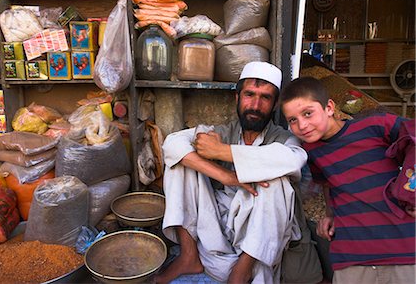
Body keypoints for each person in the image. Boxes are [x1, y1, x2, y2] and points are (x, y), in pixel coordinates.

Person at [156, 62, 322, 284]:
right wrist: (225, 176)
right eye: (249, 95)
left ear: (274, 105)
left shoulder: (282, 138)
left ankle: (240, 273)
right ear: (237, 98)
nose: (255, 105)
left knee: (277, 181)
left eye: (265, 98)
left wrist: (221, 152)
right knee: (180, 161)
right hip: (219, 228)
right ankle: (189, 255)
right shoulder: (222, 132)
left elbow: (294, 158)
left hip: (259, 238)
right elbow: (172, 144)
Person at [280, 76, 415, 284]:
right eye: (293, 120)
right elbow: (327, 183)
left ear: (329, 108)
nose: (302, 125)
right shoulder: (311, 151)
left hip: (403, 251)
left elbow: (413, 138)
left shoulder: (376, 125)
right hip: (351, 259)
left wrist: (411, 190)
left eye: (308, 113)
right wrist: (330, 213)